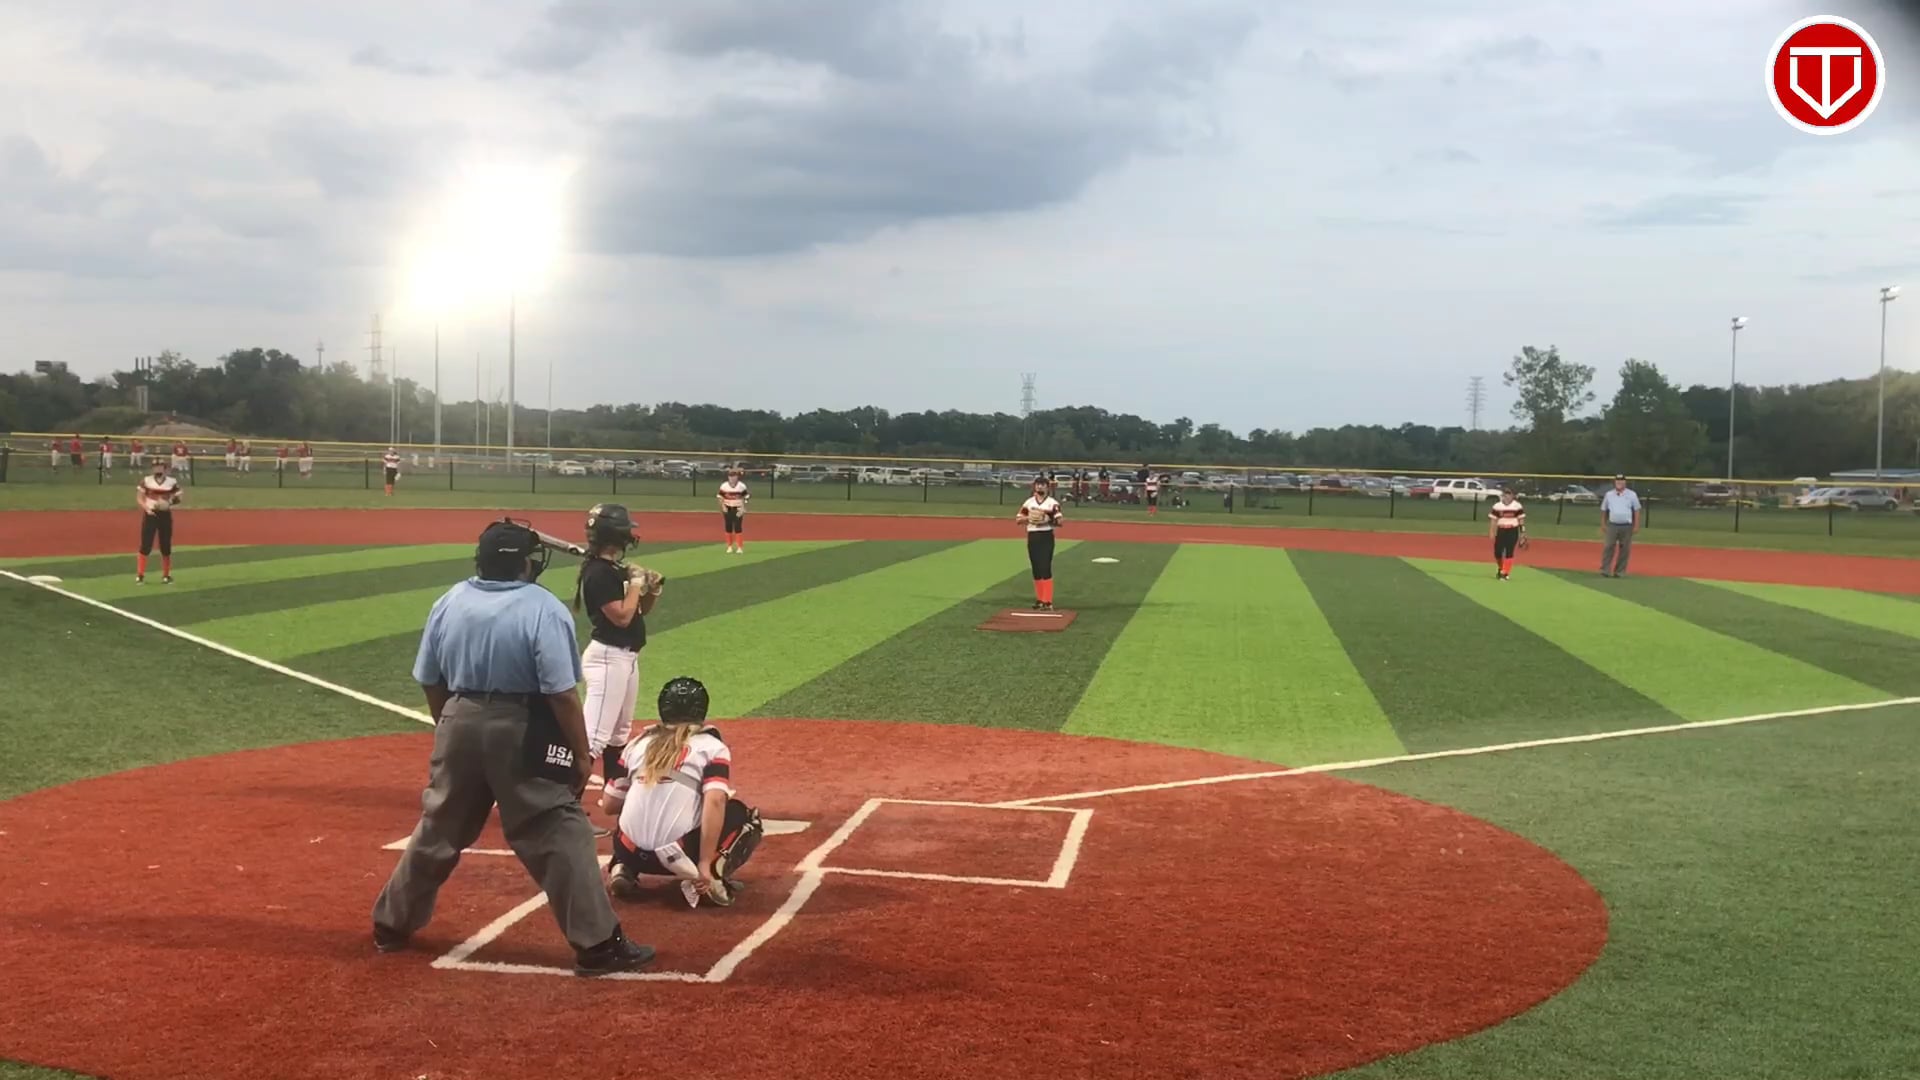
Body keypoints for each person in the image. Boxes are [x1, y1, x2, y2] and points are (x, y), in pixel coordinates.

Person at [372, 518, 654, 976]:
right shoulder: (543, 608)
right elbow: (561, 694)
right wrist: (580, 754)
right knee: (558, 828)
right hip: (520, 726)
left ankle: (391, 924)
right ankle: (598, 944)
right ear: (524, 564)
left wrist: (451, 727)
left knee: (440, 826)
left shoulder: (450, 600)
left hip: (458, 718)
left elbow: (430, 680)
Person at [602, 677, 765, 910]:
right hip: (681, 857)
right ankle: (712, 875)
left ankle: (623, 867)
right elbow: (715, 801)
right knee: (743, 816)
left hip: (629, 850)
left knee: (632, 799)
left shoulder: (637, 744)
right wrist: (704, 861)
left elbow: (609, 805)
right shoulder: (711, 747)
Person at [572, 504, 663, 806]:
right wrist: (635, 583)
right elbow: (622, 618)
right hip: (609, 659)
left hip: (627, 659)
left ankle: (614, 801)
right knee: (593, 738)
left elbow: (638, 611)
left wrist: (650, 590)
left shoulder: (612, 570)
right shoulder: (598, 573)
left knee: (619, 734)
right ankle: (565, 808)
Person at [1016, 477, 1063, 610]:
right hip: (1032, 536)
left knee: (1045, 567)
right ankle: (1040, 600)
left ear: (1047, 487)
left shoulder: (1052, 503)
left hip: (1046, 536)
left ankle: (1048, 601)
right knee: (1036, 568)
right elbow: (1018, 520)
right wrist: (1029, 518)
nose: (1040, 487)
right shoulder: (1029, 502)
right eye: (1038, 485)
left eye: (1042, 485)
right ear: (1034, 487)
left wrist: (1047, 520)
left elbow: (1060, 522)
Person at [135, 458, 182, 584]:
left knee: (165, 545)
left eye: (160, 466)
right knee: (146, 545)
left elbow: (179, 497)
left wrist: (168, 503)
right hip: (150, 514)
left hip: (165, 515)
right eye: (155, 466)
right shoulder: (147, 480)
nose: (157, 468)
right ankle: (140, 575)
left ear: (164, 468)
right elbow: (139, 497)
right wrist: (146, 508)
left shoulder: (171, 481)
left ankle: (166, 575)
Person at [1599, 474, 1641, 578]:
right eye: (1617, 481)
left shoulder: (1632, 495)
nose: (1619, 482)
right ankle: (1605, 569)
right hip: (1612, 525)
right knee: (1608, 546)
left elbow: (1636, 510)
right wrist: (1603, 524)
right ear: (1614, 482)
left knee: (1624, 549)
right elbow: (1604, 510)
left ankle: (1620, 571)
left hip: (1626, 525)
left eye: (1621, 481)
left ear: (1625, 482)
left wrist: (1636, 525)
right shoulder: (1609, 494)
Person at [1488, 484, 1526, 580]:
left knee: (1509, 551)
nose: (1507, 496)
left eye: (1509, 494)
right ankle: (1501, 568)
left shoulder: (1517, 506)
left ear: (1512, 496)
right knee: (1498, 552)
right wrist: (1492, 531)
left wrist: (1522, 533)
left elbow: (1521, 520)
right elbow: (1493, 520)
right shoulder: (1497, 506)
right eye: (1505, 494)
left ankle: (1505, 572)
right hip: (1501, 530)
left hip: (1512, 530)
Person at [717, 467, 749, 553]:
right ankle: (729, 546)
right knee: (728, 527)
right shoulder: (724, 486)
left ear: (737, 477)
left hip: (738, 508)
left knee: (738, 527)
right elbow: (720, 497)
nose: (732, 478)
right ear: (728, 477)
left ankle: (739, 547)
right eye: (730, 476)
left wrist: (743, 508)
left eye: (734, 476)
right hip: (727, 508)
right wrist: (723, 507)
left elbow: (746, 497)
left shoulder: (741, 486)